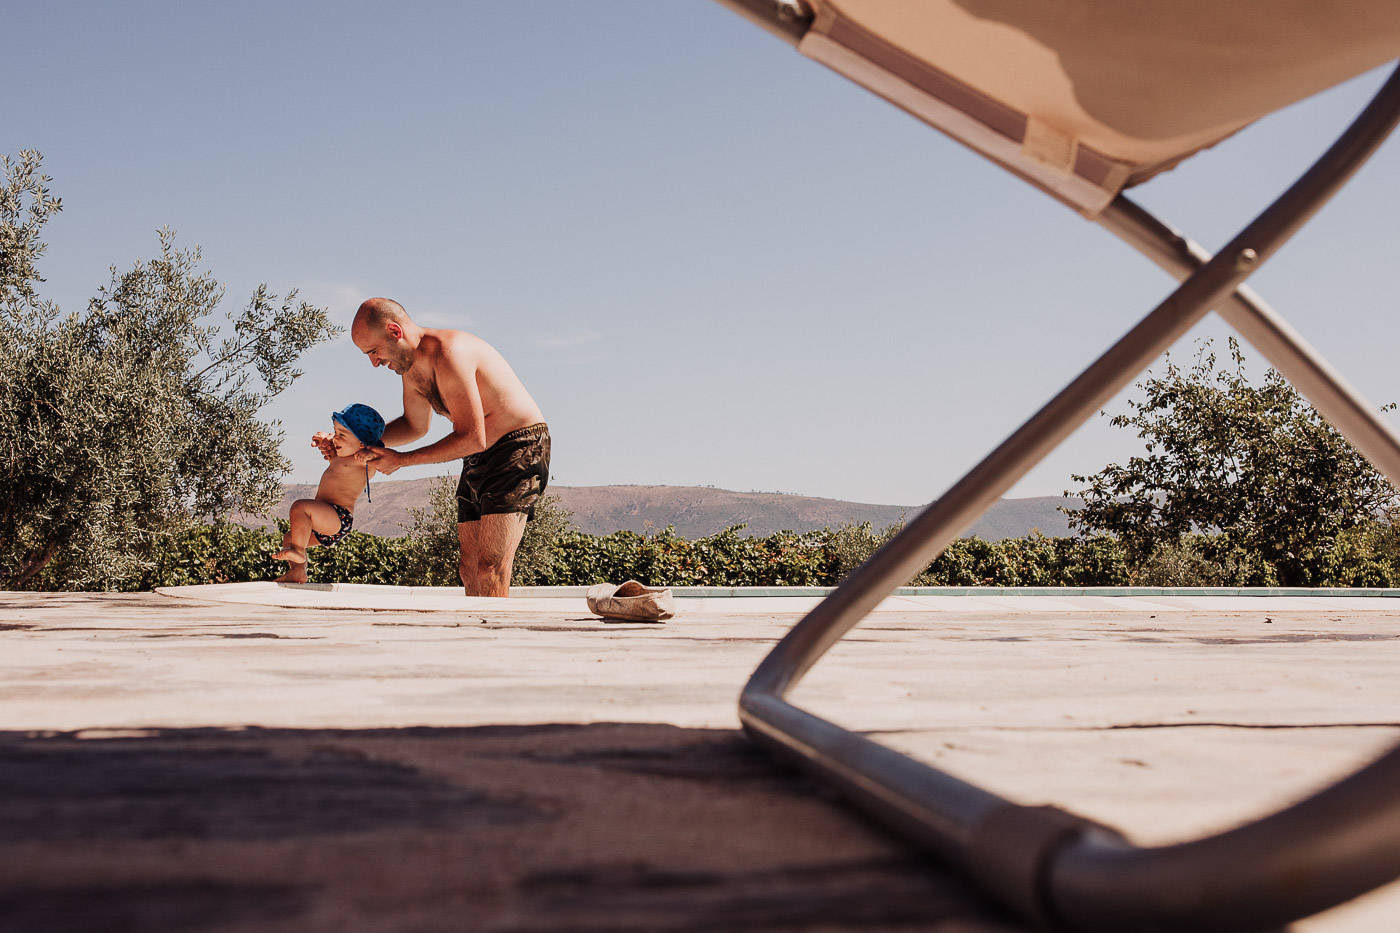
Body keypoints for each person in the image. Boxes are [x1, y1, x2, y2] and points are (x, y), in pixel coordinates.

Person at [337, 297, 550, 598]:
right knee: (469, 569)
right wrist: (355, 441)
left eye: (374, 351)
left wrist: (403, 460)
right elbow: (415, 425)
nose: (374, 362)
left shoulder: (450, 354)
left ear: (395, 332)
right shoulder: (410, 371)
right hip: (479, 453)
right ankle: (476, 640)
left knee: (490, 570)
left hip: (518, 446)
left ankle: (496, 642)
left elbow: (472, 436)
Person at [274, 404, 385, 584]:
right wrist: (323, 440)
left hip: (338, 516)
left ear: (363, 443)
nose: (336, 438)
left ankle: (299, 552)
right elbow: (329, 446)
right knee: (290, 537)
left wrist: (371, 455)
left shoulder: (362, 462)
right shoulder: (339, 456)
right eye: (335, 432)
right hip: (324, 516)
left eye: (342, 435)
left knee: (300, 507)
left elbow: (378, 458)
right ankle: (298, 572)